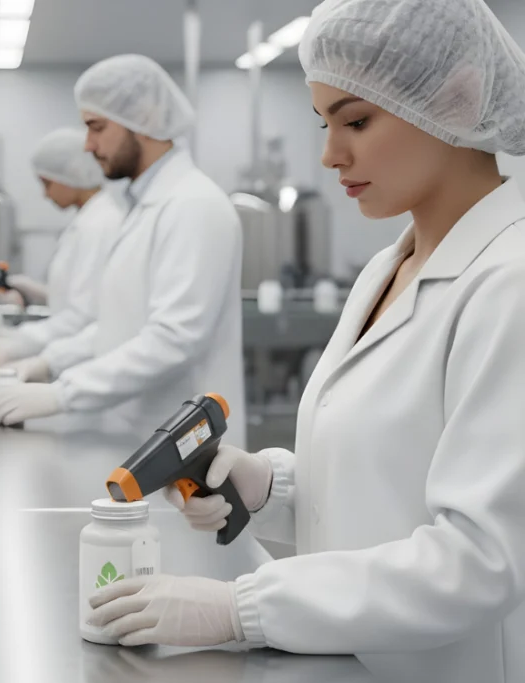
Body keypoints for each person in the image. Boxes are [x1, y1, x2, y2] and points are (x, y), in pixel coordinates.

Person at [86, 2, 525, 682]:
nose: (329, 155)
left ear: (459, 99)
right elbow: (386, 486)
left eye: (357, 121)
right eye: (324, 123)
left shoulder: (510, 281)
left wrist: (242, 608)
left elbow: (481, 560)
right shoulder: (387, 268)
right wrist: (273, 487)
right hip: (350, 661)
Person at [0, 54, 248, 448]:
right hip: (137, 431)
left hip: (185, 446)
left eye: (96, 127)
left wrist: (62, 393)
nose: (88, 145)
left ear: (143, 119)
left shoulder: (194, 205)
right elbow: (119, 325)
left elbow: (174, 339)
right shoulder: (143, 208)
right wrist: (48, 362)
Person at [0, 128, 124, 372]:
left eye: (47, 183)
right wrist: (40, 293)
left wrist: (15, 344)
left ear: (73, 174)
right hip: (74, 357)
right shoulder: (87, 222)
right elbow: (84, 297)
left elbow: (82, 319)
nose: (45, 195)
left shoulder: (100, 225)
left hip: (83, 363)